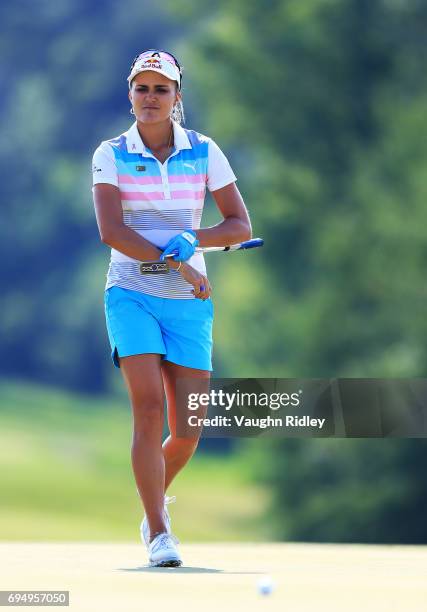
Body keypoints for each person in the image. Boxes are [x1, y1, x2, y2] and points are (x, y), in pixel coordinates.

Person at [92, 49, 251, 567]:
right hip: (131, 294)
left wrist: (193, 237)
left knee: (187, 430)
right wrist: (178, 261)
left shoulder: (205, 151)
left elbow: (237, 227)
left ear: (177, 96)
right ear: (130, 93)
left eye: (162, 89)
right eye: (142, 88)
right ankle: (160, 533)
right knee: (147, 410)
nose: (151, 97)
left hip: (189, 303)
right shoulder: (110, 153)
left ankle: (150, 502)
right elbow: (112, 232)